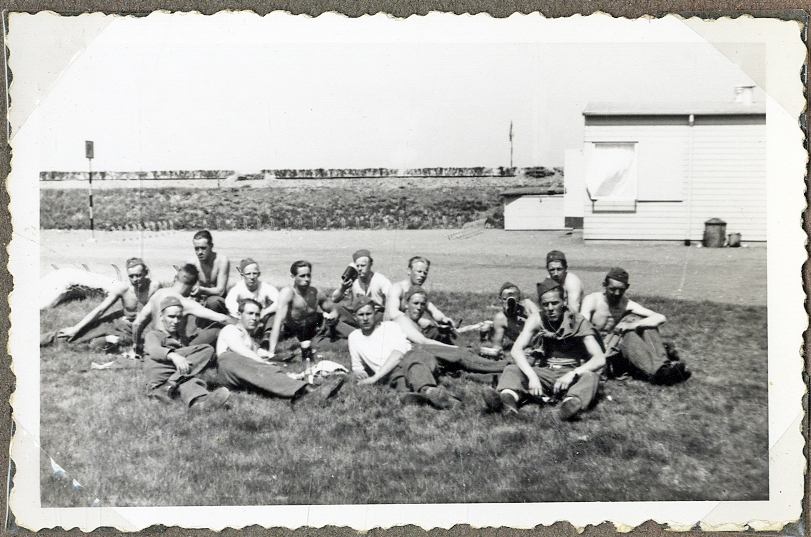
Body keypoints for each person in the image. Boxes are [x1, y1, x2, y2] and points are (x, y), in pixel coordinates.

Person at [485, 278, 605, 420]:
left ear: (564, 301)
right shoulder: (537, 319)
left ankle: (567, 407)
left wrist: (573, 374)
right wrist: (532, 377)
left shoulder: (578, 321)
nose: (550, 308)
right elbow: (516, 350)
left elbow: (599, 358)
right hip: (544, 371)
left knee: (590, 377)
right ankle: (508, 403)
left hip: (570, 372)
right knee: (512, 369)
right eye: (545, 304)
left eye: (555, 303)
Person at [215, 298, 345, 404]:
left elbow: (260, 352)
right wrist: (264, 363)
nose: (254, 318)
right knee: (259, 367)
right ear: (239, 315)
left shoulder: (249, 338)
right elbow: (242, 351)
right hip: (228, 366)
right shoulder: (231, 329)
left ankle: (302, 394)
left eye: (257, 314)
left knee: (263, 373)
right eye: (250, 313)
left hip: (242, 373)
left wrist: (285, 357)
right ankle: (306, 389)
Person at [580, 267, 690, 385]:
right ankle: (659, 373)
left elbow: (660, 317)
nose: (617, 293)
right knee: (628, 335)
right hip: (597, 348)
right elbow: (581, 328)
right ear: (604, 285)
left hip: (616, 347)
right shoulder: (593, 300)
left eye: (621, 290)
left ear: (627, 287)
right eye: (613, 289)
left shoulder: (626, 303)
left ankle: (664, 366)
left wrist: (633, 325)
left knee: (642, 323)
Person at [349, 296, 457, 410]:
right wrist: (359, 372)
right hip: (389, 373)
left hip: (409, 359)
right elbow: (357, 366)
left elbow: (399, 354)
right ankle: (425, 395)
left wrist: (374, 378)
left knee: (414, 365)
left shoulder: (389, 326)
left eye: (368, 314)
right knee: (397, 377)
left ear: (375, 314)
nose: (365, 318)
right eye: (361, 315)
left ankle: (427, 390)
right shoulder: (354, 337)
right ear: (355, 317)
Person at [40, 258, 161, 351]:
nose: (135, 279)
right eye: (131, 276)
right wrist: (76, 328)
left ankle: (101, 340)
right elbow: (100, 309)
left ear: (146, 273)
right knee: (74, 336)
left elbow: (163, 312)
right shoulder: (123, 288)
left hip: (129, 331)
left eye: (138, 275)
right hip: (115, 321)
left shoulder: (155, 287)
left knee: (105, 343)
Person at [392, 286, 506, 377]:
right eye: (415, 303)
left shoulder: (414, 322)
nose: (419, 307)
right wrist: (455, 348)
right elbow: (423, 341)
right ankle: (503, 366)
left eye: (422, 304)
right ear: (406, 304)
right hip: (414, 357)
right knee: (460, 354)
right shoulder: (401, 320)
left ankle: (476, 355)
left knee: (443, 333)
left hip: (422, 353)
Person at [142, 296, 230, 412]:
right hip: (159, 373)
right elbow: (154, 350)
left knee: (189, 381)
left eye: (179, 317)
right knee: (207, 350)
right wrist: (174, 356)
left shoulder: (181, 338)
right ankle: (168, 385)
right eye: (171, 316)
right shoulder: (154, 334)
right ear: (161, 316)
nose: (175, 321)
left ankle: (200, 402)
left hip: (174, 375)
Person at [132, 264, 236, 355]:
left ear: (175, 279)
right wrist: (240, 324)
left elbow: (137, 323)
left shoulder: (158, 293)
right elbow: (223, 318)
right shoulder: (184, 302)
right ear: (193, 286)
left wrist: (137, 344)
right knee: (218, 328)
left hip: (157, 341)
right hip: (175, 347)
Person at [265, 260, 347, 358]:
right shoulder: (288, 293)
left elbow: (333, 310)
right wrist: (271, 351)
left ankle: (357, 335)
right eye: (302, 276)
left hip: (315, 327)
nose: (307, 279)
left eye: (308, 275)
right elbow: (278, 322)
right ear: (293, 277)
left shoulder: (316, 292)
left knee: (342, 321)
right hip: (295, 330)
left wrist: (332, 319)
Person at [385, 256, 454, 337]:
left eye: (425, 273)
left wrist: (443, 319)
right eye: (419, 271)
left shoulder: (418, 292)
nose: (422, 275)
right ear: (409, 271)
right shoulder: (397, 288)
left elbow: (433, 310)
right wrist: (420, 320)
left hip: (407, 330)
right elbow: (392, 313)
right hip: (391, 332)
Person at [331, 249, 391, 328]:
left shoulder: (380, 280)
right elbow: (334, 299)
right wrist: (342, 288)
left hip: (376, 314)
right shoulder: (353, 279)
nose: (359, 269)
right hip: (357, 314)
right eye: (357, 266)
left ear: (370, 265)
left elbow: (392, 298)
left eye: (363, 266)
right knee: (335, 308)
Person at [224, 258, 279, 340]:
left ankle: (266, 337)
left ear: (259, 274)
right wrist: (244, 316)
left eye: (255, 273)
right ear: (242, 275)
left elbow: (280, 301)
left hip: (261, 318)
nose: (252, 277)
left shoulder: (265, 287)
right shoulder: (237, 288)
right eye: (248, 274)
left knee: (274, 316)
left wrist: (265, 312)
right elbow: (229, 303)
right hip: (244, 320)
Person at [188, 230, 230, 314]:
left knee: (213, 302)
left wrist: (201, 289)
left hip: (217, 299)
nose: (200, 252)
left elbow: (220, 291)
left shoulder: (221, 260)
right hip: (199, 299)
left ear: (211, 246)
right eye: (196, 249)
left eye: (203, 248)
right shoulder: (192, 262)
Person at [490, 282, 540, 352]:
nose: (509, 303)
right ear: (500, 299)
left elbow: (544, 322)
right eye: (505, 299)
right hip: (524, 347)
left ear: (519, 299)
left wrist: (529, 317)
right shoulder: (500, 318)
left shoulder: (527, 305)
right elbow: (497, 346)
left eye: (513, 300)